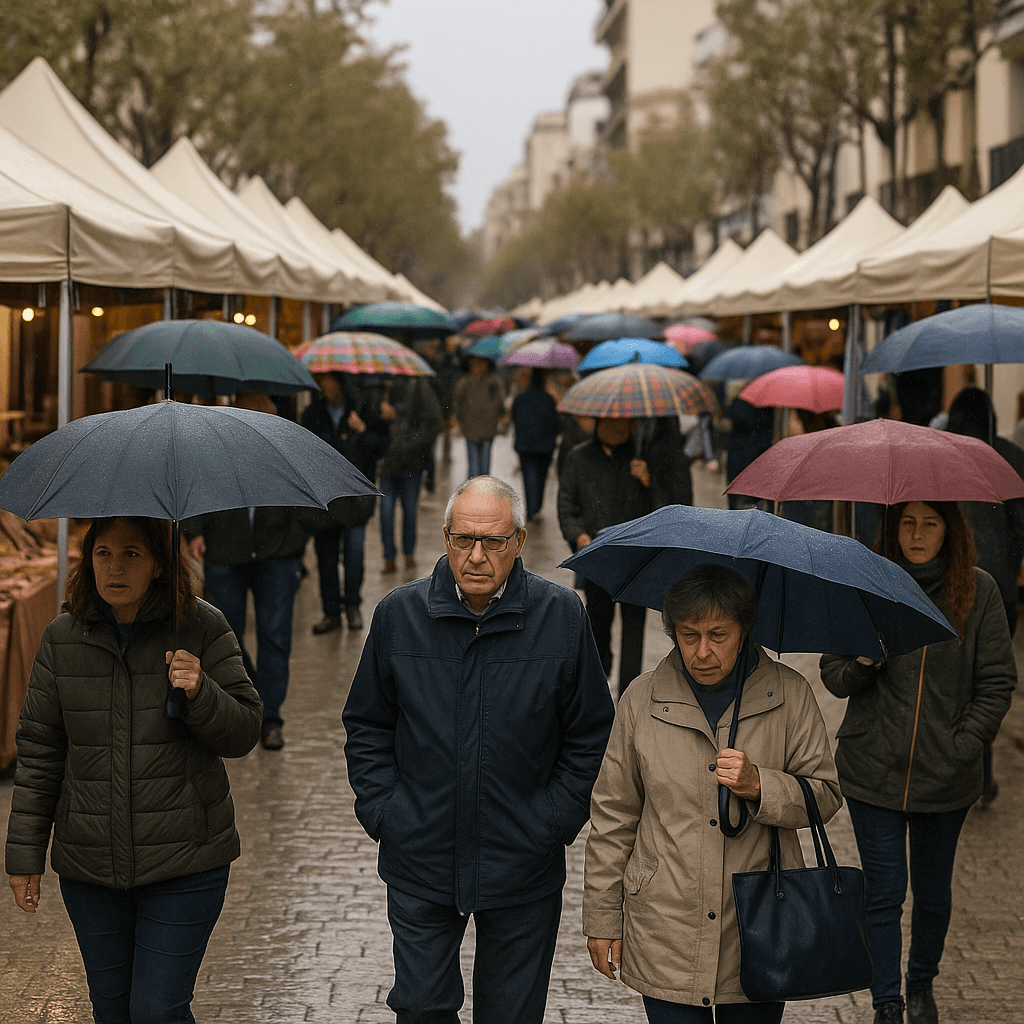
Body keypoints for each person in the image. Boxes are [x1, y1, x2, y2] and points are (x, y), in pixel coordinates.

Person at [343, 475, 615, 1024]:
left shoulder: (561, 617)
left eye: (492, 542)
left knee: (512, 1015)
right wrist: (387, 813)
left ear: (517, 541)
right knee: (421, 1009)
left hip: (522, 860)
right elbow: (367, 724)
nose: (476, 556)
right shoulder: (400, 616)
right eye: (464, 539)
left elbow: (590, 735)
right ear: (445, 538)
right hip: (420, 856)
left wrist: (551, 820)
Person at [6, 516, 261, 1023]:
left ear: (161, 565)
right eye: (103, 553)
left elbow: (244, 731)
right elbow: (39, 752)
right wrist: (24, 853)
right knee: (112, 1010)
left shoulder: (202, 626)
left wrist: (200, 691)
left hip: (185, 861)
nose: (115, 568)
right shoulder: (62, 639)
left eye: (132, 555)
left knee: (157, 1010)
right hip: (91, 867)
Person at [583, 563, 841, 1023]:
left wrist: (762, 785)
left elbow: (824, 794)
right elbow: (613, 816)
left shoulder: (789, 694)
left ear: (744, 630)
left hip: (760, 929)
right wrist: (602, 919)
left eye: (718, 635)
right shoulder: (641, 699)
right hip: (666, 926)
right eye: (688, 635)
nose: (702, 651)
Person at [820, 501, 1016, 1024]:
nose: (917, 533)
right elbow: (833, 675)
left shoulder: (977, 591)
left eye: (930, 522)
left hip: (945, 777)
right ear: (892, 528)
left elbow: (997, 682)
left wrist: (963, 745)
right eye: (907, 522)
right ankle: (888, 1002)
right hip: (872, 769)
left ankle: (921, 982)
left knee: (932, 897)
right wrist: (864, 661)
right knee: (884, 894)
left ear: (950, 529)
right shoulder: (869, 584)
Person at [185, 492, 323, 752]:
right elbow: (196, 482)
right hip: (224, 545)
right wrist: (194, 531)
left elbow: (305, 490)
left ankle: (270, 716)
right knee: (225, 637)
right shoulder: (212, 450)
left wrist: (299, 533)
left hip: (279, 550)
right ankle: (248, 703)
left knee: (275, 635)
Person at [558, 416, 655, 696]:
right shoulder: (579, 457)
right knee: (597, 624)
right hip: (597, 558)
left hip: (635, 560)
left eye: (624, 424)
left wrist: (648, 483)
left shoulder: (641, 458)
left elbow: (663, 510)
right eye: (611, 423)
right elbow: (566, 505)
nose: (618, 428)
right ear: (598, 423)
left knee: (634, 629)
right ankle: (598, 686)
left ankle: (629, 692)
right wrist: (579, 537)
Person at [301, 371, 386, 634]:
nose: (328, 387)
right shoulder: (312, 414)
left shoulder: (363, 409)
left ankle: (352, 605)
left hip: (355, 497)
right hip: (325, 498)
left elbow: (381, 447)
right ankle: (331, 612)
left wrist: (362, 431)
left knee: (354, 555)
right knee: (325, 559)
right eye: (323, 383)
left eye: (332, 382)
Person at [377, 375, 442, 573]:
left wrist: (410, 444)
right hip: (387, 461)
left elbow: (433, 421)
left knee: (409, 508)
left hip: (411, 461)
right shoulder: (378, 385)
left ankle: (408, 553)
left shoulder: (418, 385)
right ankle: (389, 556)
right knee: (386, 511)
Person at [511, 367, 559, 519]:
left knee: (529, 475)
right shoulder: (549, 399)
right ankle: (536, 506)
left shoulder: (520, 399)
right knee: (541, 476)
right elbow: (557, 423)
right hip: (545, 444)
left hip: (525, 444)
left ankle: (532, 507)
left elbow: (515, 419)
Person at [453, 354, 507, 478]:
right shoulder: (465, 382)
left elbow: (500, 403)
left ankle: (482, 494)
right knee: (473, 468)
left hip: (488, 430)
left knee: (484, 468)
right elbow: (457, 403)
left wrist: (502, 416)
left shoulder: (494, 382)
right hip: (470, 430)